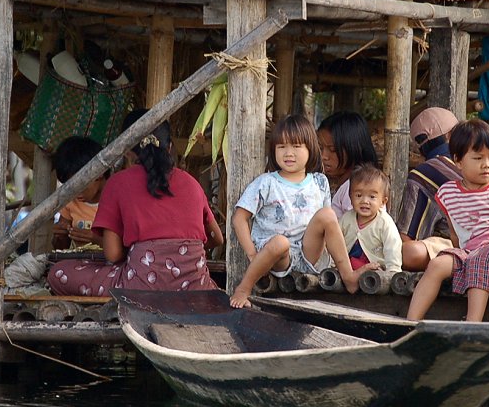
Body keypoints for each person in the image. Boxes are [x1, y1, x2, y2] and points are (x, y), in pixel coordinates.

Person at [46, 109, 224, 296]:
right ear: (170, 147)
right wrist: (183, 256)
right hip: (195, 288)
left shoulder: (118, 183)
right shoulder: (191, 182)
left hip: (139, 287)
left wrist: (142, 253)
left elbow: (113, 254)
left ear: (127, 151)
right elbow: (217, 238)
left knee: (58, 273)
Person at [406, 119, 489, 323]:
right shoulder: (448, 193)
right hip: (470, 251)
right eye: (478, 158)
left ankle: (472, 324)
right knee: (438, 263)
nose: (486, 165)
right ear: (458, 161)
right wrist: (458, 257)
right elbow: (455, 233)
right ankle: (410, 322)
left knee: (479, 259)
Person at [230, 114, 358, 308]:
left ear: (310, 149)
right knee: (280, 242)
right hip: (276, 256)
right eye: (282, 147)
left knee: (327, 214)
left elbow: (328, 226)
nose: (288, 153)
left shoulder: (319, 182)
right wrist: (252, 254)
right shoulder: (267, 183)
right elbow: (239, 218)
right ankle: (243, 289)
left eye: (297, 146)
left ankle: (348, 276)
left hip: (307, 253)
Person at [395, 107, 463, 271]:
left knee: (405, 252)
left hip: (459, 249)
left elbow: (406, 237)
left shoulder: (423, 173)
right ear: (451, 135)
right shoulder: (478, 162)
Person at [339, 164, 403, 278]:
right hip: (349, 267)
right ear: (350, 198)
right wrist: (332, 265)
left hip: (375, 268)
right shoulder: (346, 219)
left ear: (383, 201)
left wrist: (393, 270)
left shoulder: (384, 222)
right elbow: (336, 242)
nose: (365, 201)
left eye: (372, 197)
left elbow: (392, 246)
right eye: (359, 195)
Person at [316, 111, 379, 218]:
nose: (323, 156)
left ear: (353, 149)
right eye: (320, 148)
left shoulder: (356, 190)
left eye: (333, 149)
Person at [51, 136, 106, 250]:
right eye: (70, 188)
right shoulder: (71, 202)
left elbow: (126, 247)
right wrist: (60, 236)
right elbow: (61, 249)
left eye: (81, 185)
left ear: (99, 172)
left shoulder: (118, 199)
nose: (76, 193)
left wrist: (97, 240)